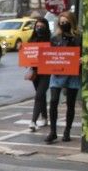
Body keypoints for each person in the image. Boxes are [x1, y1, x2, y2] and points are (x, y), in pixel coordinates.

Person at [45, 11, 82, 143]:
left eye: (66, 21)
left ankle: (67, 131)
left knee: (70, 104)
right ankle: (53, 131)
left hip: (73, 73)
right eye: (61, 22)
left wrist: (81, 59)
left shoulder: (79, 37)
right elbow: (50, 54)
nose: (63, 24)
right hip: (57, 73)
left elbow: (82, 52)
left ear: (71, 22)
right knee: (53, 100)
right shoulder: (55, 38)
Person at [27, 16, 52, 132]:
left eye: (42, 26)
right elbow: (26, 54)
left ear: (46, 28)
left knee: (38, 95)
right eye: (37, 26)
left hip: (46, 72)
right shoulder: (32, 40)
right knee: (40, 94)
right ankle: (45, 117)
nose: (39, 28)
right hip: (35, 72)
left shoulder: (51, 41)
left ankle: (33, 121)